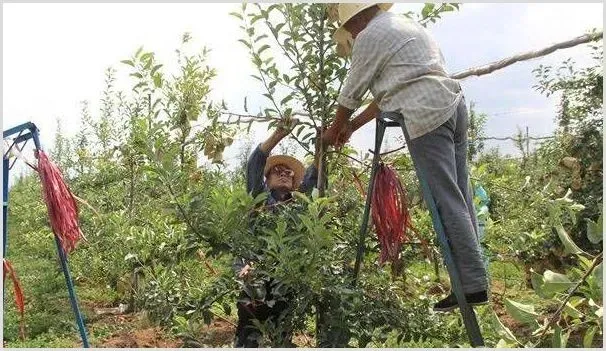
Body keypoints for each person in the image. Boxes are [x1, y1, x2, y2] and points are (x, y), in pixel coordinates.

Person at [322, 3, 489, 312]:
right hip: (451, 104)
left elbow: (351, 92)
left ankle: (472, 286)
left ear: (354, 19)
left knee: (445, 200)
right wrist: (352, 126)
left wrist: (332, 131)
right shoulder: (401, 24)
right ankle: (474, 279)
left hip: (425, 113)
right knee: (460, 196)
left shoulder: (370, 35)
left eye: (348, 29)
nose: (351, 35)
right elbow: (383, 97)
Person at [234, 118, 319, 347]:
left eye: (289, 173)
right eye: (277, 171)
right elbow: (254, 164)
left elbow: (314, 176)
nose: (284, 174)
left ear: (294, 182)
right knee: (249, 333)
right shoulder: (259, 199)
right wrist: (278, 135)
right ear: (267, 179)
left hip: (285, 280)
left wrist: (322, 146)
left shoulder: (298, 204)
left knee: (282, 335)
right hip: (253, 276)